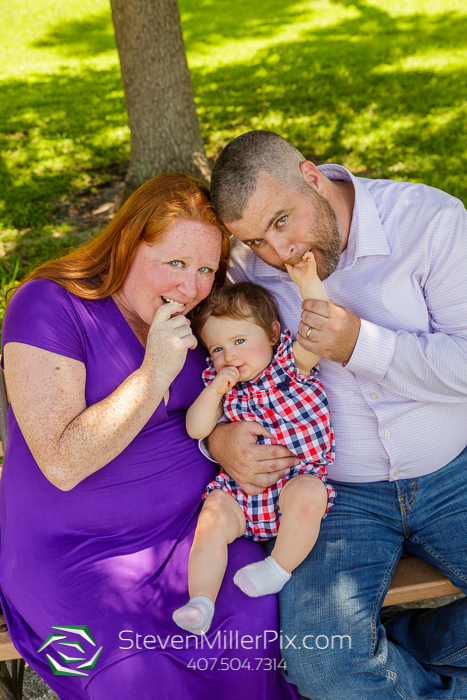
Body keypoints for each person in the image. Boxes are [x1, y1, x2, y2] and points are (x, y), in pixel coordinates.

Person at [0, 173, 300, 700]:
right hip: (77, 558)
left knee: (251, 635)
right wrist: (154, 371)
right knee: (139, 677)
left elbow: (248, 393)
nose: (191, 287)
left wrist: (220, 440)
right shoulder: (50, 304)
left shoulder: (205, 316)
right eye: (175, 263)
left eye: (206, 268)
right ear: (127, 242)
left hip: (196, 536)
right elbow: (62, 463)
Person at [205, 130, 467, 700]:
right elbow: (221, 369)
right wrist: (218, 440)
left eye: (281, 222)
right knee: (322, 665)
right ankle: (372, 653)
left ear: (311, 175)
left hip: (454, 473)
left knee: (347, 657)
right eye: (255, 238)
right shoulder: (248, 270)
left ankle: (396, 645)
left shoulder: (429, 222)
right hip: (330, 496)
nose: (278, 253)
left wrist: (362, 347)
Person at [172, 254, 335, 635]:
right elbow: (197, 429)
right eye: (216, 348)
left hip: (295, 480)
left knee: (310, 496)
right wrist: (214, 391)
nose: (229, 355)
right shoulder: (218, 381)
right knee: (211, 519)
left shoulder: (290, 364)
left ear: (274, 333)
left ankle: (278, 569)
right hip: (240, 493)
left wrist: (309, 283)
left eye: (240, 340)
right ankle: (201, 602)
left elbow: (319, 329)